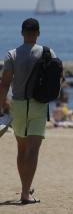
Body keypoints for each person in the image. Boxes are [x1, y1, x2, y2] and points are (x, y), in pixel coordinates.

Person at [0, 18, 59, 204]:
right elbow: (59, 76)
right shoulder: (47, 52)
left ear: (22, 33)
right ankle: (26, 192)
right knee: (33, 150)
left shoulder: (12, 54)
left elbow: (4, 83)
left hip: (18, 106)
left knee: (21, 149)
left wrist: (1, 107)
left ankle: (25, 187)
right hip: (39, 106)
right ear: (39, 33)